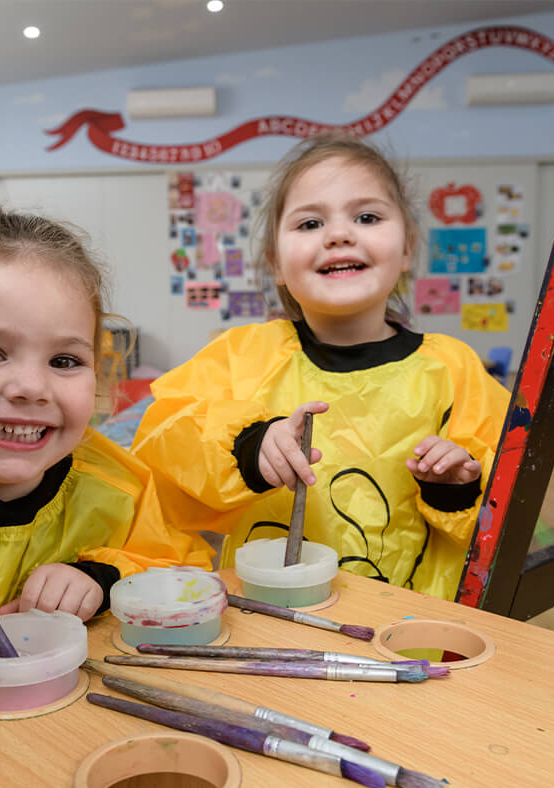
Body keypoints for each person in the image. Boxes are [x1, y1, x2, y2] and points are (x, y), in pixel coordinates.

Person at [132, 135, 510, 601]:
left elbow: (504, 502)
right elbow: (165, 439)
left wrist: (455, 486)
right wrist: (249, 447)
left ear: (408, 248)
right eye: (310, 222)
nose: (338, 235)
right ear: (275, 262)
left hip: (406, 626)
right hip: (265, 612)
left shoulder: (453, 367)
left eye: (367, 217)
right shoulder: (241, 354)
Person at [0, 206, 212, 706]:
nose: (31, 387)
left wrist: (102, 575)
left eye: (64, 360)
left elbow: (185, 571)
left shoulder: (119, 486)